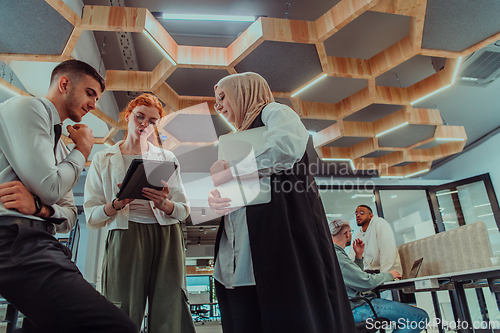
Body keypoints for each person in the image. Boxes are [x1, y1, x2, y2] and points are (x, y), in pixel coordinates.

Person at [208, 72, 356, 333]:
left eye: (222, 96)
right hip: (241, 253)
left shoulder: (273, 112)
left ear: (244, 92)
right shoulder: (234, 142)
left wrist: (230, 171)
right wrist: (216, 198)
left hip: (280, 241)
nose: (218, 105)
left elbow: (285, 149)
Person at [0, 60, 137, 332]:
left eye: (97, 98)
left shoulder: (62, 151)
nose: (93, 105)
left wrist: (42, 209)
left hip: (41, 241)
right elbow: (51, 188)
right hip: (13, 240)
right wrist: (84, 148)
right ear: (64, 84)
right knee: (118, 327)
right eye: (89, 93)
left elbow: (69, 216)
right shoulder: (28, 107)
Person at [84, 93, 195, 333]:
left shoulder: (166, 158)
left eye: (152, 121)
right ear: (128, 117)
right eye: (140, 117)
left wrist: (164, 204)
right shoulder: (103, 158)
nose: (145, 124)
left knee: (170, 305)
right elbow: (91, 214)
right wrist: (117, 203)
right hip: (125, 234)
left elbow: (183, 209)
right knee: (121, 303)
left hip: (166, 236)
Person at [331, 218, 429, 333]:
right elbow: (366, 283)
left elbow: (354, 278)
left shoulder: (334, 254)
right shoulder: (338, 256)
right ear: (347, 234)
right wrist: (389, 275)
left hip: (349, 307)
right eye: (351, 231)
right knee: (419, 317)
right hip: (356, 308)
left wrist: (358, 256)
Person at [348, 204, 402, 274]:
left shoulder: (380, 224)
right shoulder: (358, 234)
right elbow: (352, 257)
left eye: (362, 213)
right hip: (371, 274)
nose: (358, 215)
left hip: (387, 272)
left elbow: (387, 251)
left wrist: (385, 276)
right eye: (356, 213)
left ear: (371, 215)